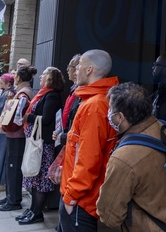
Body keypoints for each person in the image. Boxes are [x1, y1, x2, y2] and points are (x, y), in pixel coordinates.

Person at [97, 82, 166, 231]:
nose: (109, 114)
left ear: (120, 116)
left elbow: (110, 216)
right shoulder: (161, 128)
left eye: (111, 110)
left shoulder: (124, 158)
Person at [57, 50, 119, 232]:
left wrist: (71, 196)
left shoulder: (95, 105)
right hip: (79, 196)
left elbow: (89, 159)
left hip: (80, 200)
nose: (75, 69)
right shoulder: (95, 100)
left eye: (79, 65)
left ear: (89, 69)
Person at [16, 67, 64, 225]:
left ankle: (37, 213)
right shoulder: (44, 93)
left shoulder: (52, 95)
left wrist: (28, 117)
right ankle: (32, 210)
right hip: (38, 141)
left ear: (51, 78)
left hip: (43, 144)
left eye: (44, 74)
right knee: (35, 179)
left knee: (40, 180)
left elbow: (46, 119)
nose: (41, 76)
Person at [0, 65, 36, 211]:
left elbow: (17, 117)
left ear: (18, 78)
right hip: (16, 134)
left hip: (17, 134)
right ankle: (10, 196)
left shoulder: (23, 93)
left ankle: (13, 200)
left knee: (13, 166)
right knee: (11, 165)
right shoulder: (24, 92)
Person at [54, 54, 82, 148]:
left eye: (70, 67)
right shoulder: (74, 89)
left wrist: (64, 135)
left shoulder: (80, 93)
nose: (67, 70)